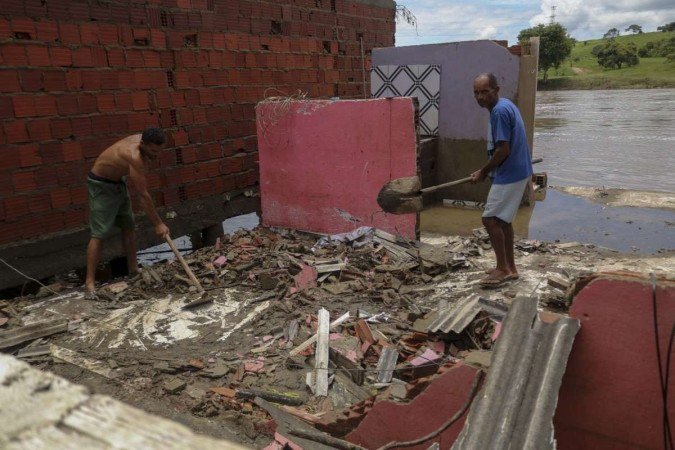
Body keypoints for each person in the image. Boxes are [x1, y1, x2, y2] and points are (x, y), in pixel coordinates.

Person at [85, 127, 170, 297]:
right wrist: (158, 223)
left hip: (117, 182)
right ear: (143, 144)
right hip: (101, 185)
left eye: (159, 151)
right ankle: (89, 282)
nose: (156, 155)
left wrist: (151, 153)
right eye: (153, 151)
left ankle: (133, 269)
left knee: (128, 225)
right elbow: (143, 196)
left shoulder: (143, 139)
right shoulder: (134, 157)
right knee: (99, 233)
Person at [470, 73, 533, 287]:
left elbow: (503, 149)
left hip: (510, 172)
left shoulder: (499, 111)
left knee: (490, 219)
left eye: (485, 92)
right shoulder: (504, 105)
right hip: (517, 170)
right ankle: (510, 268)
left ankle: (502, 269)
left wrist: (483, 171)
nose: (480, 97)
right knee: (503, 221)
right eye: (476, 93)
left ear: (496, 90)